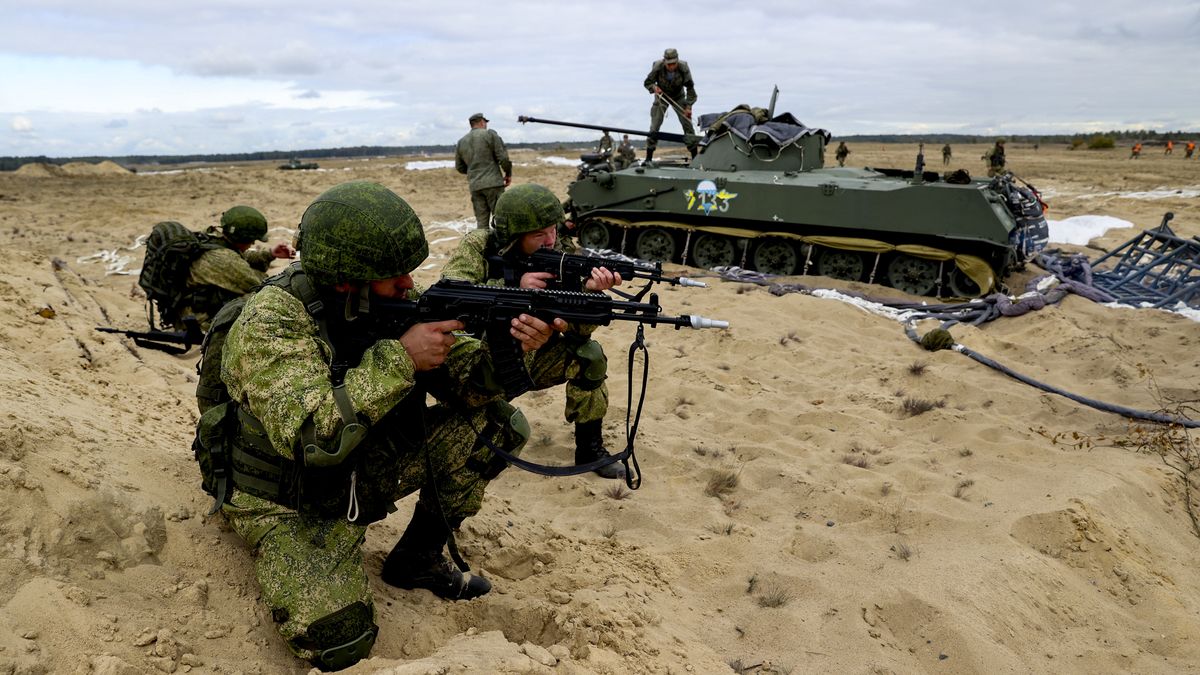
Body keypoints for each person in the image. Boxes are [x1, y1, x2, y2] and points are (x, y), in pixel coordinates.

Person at [202, 181, 571, 670]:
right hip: (284, 495)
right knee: (338, 642)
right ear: (345, 279)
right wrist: (401, 359)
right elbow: (314, 438)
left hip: (357, 467)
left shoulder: (377, 299)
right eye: (392, 275)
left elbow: (470, 386)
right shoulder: (271, 321)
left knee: (497, 425)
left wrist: (519, 344)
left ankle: (416, 560)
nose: (406, 284)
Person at [441, 183, 627, 480]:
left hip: (535, 357)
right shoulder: (480, 246)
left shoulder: (562, 252)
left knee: (590, 356)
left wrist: (588, 295)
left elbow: (580, 333)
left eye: (552, 229)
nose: (550, 240)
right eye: (538, 234)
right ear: (513, 236)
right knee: (475, 432)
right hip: (483, 362)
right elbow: (449, 298)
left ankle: (590, 450)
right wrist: (514, 289)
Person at [167, 206, 292, 331]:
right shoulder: (224, 260)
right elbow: (259, 286)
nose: (253, 244)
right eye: (251, 239)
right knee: (260, 299)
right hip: (198, 321)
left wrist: (270, 254)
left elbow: (241, 257)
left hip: (189, 308)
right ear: (241, 238)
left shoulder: (212, 236)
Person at [455, 112, 513, 229]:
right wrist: (508, 174)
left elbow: (460, 167)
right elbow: (503, 159)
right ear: (482, 122)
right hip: (493, 184)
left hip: (475, 186)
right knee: (501, 220)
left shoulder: (462, 142)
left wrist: (474, 171)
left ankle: (482, 246)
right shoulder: (490, 135)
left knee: (481, 223)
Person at [643, 48, 698, 162]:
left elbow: (691, 89)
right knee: (655, 126)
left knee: (687, 125)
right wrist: (654, 87)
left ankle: (696, 159)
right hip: (662, 96)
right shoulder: (657, 66)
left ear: (677, 61)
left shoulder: (684, 68)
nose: (671, 66)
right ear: (664, 61)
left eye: (674, 64)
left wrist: (688, 107)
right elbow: (647, 82)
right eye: (669, 64)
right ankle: (648, 159)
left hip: (679, 97)